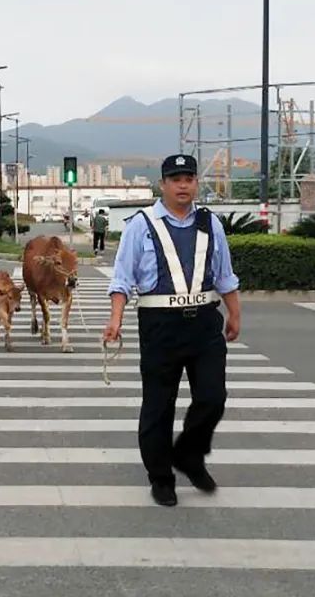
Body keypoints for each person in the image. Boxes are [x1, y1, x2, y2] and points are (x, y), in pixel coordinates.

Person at [103, 154, 241, 507]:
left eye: (189, 178)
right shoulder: (141, 224)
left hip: (205, 323)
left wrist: (234, 314)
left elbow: (224, 274)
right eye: (175, 179)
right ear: (162, 184)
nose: (183, 185)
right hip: (160, 325)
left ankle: (188, 454)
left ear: (196, 183)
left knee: (213, 397)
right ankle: (161, 477)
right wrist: (115, 320)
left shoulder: (212, 224)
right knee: (158, 406)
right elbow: (123, 278)